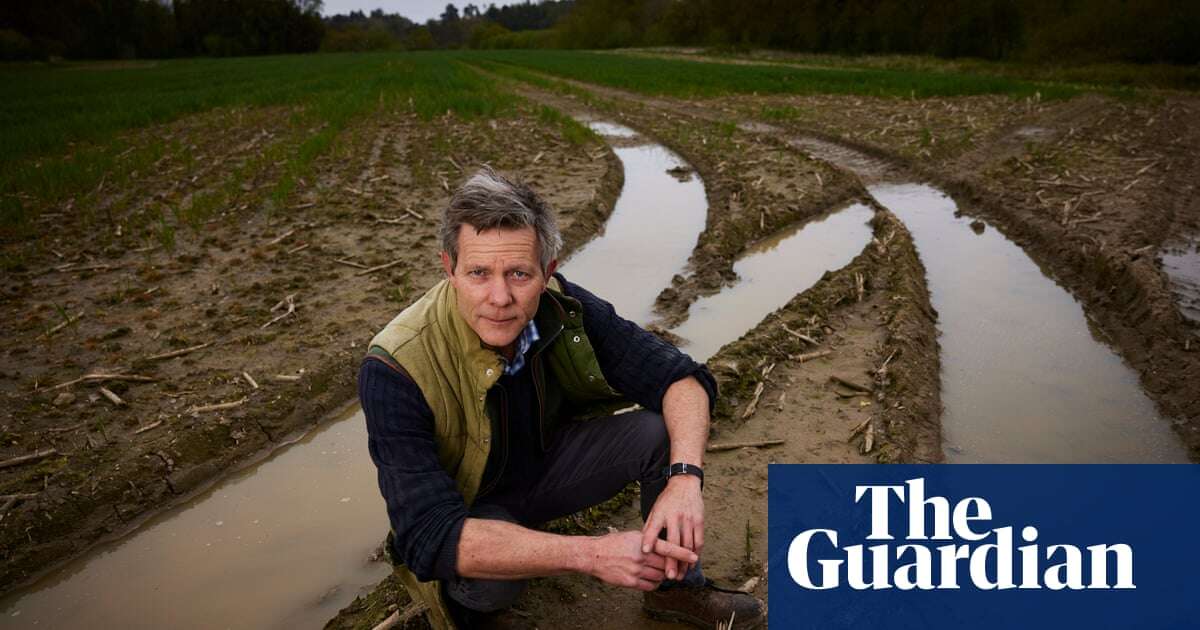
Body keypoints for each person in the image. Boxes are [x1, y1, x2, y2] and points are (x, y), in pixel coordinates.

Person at [359, 167, 763, 629]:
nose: (500, 297)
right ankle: (476, 612)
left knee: (661, 433)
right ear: (449, 269)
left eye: (518, 273)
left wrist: (685, 480)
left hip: (546, 471)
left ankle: (673, 589)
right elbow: (428, 536)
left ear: (547, 272)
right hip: (471, 508)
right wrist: (592, 555)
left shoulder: (562, 306)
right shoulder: (395, 367)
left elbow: (682, 379)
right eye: (478, 273)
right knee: (491, 586)